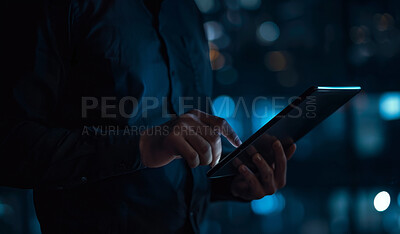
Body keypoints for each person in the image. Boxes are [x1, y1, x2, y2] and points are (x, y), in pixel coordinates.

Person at [0, 0, 296, 233]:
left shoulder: (185, 9)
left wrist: (235, 176)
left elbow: (178, 154)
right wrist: (141, 147)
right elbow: (10, 145)